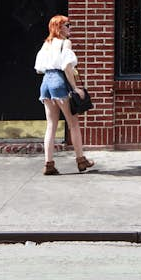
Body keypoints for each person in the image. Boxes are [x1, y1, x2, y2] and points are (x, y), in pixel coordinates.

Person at [34, 14, 94, 175]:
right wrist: (75, 89)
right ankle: (81, 160)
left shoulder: (46, 44)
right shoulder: (66, 43)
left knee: (51, 125)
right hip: (59, 81)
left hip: (46, 82)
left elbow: (39, 68)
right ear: (59, 27)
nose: (70, 28)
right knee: (73, 123)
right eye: (67, 25)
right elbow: (67, 67)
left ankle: (49, 164)